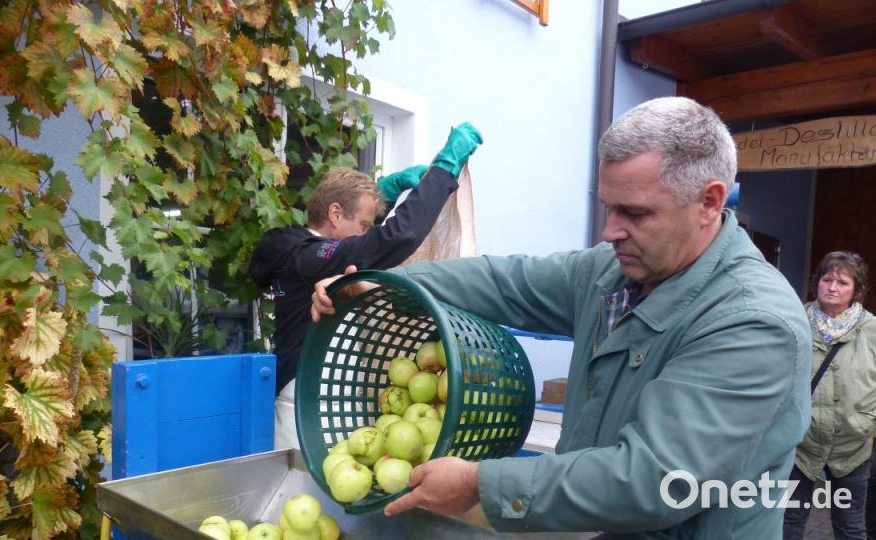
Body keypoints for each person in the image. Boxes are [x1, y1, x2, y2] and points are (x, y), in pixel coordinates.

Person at [311, 97, 813, 538]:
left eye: (634, 214)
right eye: (607, 207)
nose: (611, 232)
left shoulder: (753, 323)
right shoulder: (613, 271)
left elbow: (651, 478)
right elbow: (507, 282)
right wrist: (384, 282)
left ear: (709, 202)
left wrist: (481, 484)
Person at [249, 123, 482, 449]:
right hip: (307, 397)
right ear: (334, 213)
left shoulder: (302, 253)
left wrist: (385, 193)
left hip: (323, 389)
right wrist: (444, 172)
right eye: (363, 224)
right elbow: (396, 239)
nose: (366, 233)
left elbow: (362, 246)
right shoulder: (309, 257)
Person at [785, 252, 876, 540]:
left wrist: (868, 420)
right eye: (827, 279)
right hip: (800, 442)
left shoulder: (872, 329)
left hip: (853, 444)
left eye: (842, 282)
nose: (833, 287)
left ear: (857, 290)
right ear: (817, 283)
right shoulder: (793, 321)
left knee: (850, 527)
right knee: (789, 521)